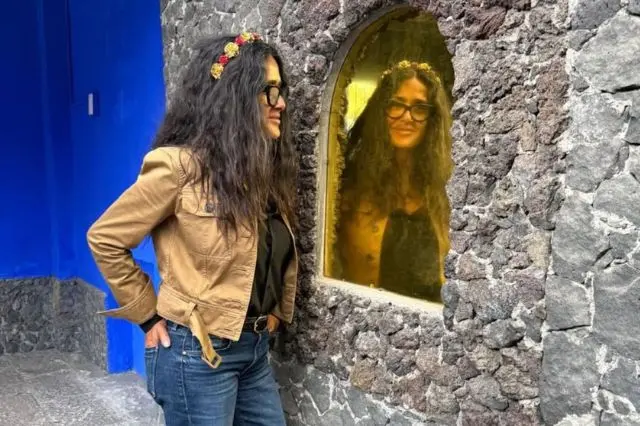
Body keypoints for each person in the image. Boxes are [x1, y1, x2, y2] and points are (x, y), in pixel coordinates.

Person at [86, 32, 297, 425]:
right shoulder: (180, 168)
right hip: (196, 352)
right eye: (269, 91)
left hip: (254, 349)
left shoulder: (259, 172)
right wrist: (147, 316)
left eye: (281, 90)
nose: (280, 102)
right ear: (235, 96)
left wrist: (273, 313)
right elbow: (106, 238)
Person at [334, 60, 453, 302]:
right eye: (396, 105)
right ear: (381, 111)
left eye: (419, 108)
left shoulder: (445, 194)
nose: (407, 117)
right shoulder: (349, 189)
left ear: (432, 119)